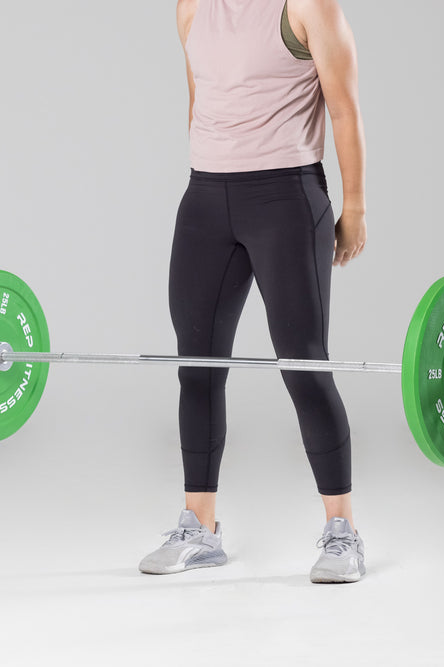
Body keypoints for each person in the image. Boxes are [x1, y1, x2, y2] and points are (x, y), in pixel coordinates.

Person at [139, 0, 368, 583]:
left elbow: (343, 109)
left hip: (286, 199)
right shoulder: (190, 9)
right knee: (197, 366)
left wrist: (355, 208)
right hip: (205, 200)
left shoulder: (307, 7)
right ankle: (200, 526)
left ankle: (342, 532)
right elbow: (200, 101)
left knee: (304, 366)